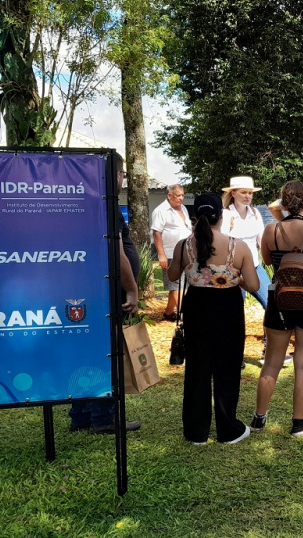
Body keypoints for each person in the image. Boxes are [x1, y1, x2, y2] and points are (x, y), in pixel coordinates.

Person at [169, 194, 260, 445]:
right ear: (221, 215)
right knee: (227, 367)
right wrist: (235, 277)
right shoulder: (237, 246)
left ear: (195, 216)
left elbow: (174, 273)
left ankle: (196, 431)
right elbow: (253, 284)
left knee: (197, 368)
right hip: (227, 308)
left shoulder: (184, 245)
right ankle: (228, 429)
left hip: (196, 308)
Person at [252, 181, 303, 437]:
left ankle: (259, 418)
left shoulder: (271, 230)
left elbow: (267, 261)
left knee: (272, 363)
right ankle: (298, 422)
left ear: (283, 204)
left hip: (280, 299)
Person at [69, 162, 142, 434]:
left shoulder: (82, 202)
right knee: (106, 352)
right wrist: (132, 290)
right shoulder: (107, 202)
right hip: (105, 291)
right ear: (118, 175)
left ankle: (82, 415)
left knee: (85, 351)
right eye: (122, 175)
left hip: (85, 289)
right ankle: (104, 417)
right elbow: (116, 249)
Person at [220, 176, 281, 366]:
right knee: (234, 313)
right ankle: (234, 354)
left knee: (272, 305)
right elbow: (222, 243)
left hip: (254, 266)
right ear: (233, 193)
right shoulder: (226, 215)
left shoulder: (255, 213)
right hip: (234, 269)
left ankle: (267, 351)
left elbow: (262, 241)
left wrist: (271, 259)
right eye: (243, 192)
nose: (247, 196)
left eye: (250, 193)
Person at [151, 184, 193, 321]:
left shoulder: (184, 209)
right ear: (169, 196)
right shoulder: (161, 211)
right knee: (175, 286)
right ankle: (185, 316)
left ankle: (169, 312)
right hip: (170, 254)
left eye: (182, 195)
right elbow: (157, 233)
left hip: (186, 253)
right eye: (178, 196)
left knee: (179, 285)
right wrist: (161, 255)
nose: (181, 198)